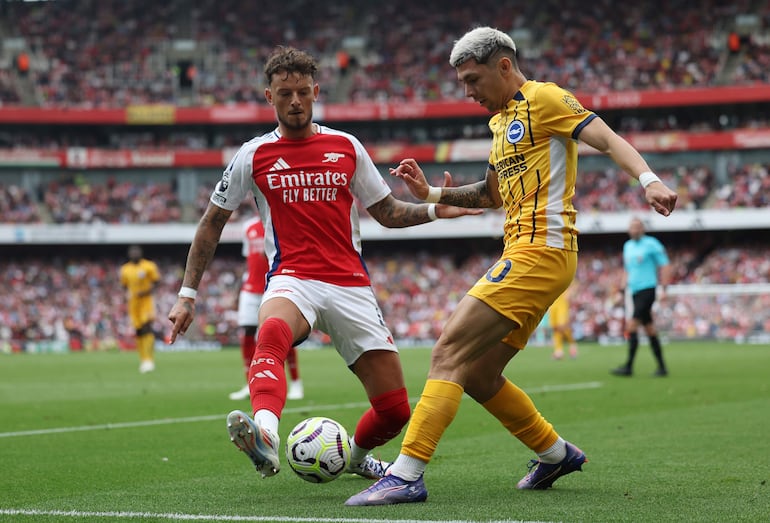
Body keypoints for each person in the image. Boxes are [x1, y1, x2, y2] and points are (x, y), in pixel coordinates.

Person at [345, 26, 678, 506]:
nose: (468, 92)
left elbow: (605, 137)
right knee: (478, 372)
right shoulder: (502, 123)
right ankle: (554, 453)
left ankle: (406, 474)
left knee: (448, 352)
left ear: (504, 65)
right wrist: (432, 194)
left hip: (540, 249)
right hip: (525, 251)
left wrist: (648, 179)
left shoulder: (545, 98)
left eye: (472, 79)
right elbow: (491, 194)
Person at [167, 46, 480, 482]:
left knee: (394, 410)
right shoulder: (252, 155)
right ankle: (266, 437)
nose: (294, 101)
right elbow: (210, 224)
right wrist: (187, 295)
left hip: (350, 283)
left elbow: (387, 212)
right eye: (284, 94)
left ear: (315, 92)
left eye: (301, 92)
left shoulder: (346, 146)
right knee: (271, 333)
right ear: (268, 97)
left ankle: (353, 458)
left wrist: (432, 210)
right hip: (293, 278)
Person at [229, 214, 304, 401]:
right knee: (247, 333)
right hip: (250, 288)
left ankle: (295, 383)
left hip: (274, 286)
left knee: (281, 333)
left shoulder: (282, 219)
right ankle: (250, 383)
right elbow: (249, 262)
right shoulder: (249, 226)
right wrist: (238, 291)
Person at [611, 217, 672, 377]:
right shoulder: (628, 246)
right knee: (649, 329)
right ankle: (662, 367)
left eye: (637, 227)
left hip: (648, 289)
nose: (634, 230)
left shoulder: (652, 244)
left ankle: (628, 367)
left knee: (631, 325)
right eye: (632, 227)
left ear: (642, 229)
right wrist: (621, 291)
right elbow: (627, 270)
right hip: (634, 291)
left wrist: (664, 288)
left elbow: (665, 265)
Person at [119, 245, 160, 373]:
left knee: (147, 328)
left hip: (146, 302)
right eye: (132, 252)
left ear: (141, 253)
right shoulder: (125, 269)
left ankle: (149, 359)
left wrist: (147, 291)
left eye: (137, 251)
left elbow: (157, 281)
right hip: (133, 303)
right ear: (129, 254)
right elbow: (124, 286)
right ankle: (143, 359)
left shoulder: (149, 266)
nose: (135, 254)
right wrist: (126, 297)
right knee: (138, 331)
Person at [548, 283, 578, 360]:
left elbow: (574, 286)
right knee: (555, 328)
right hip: (553, 303)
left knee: (562, 326)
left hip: (562, 303)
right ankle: (558, 351)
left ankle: (572, 345)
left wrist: (570, 293)